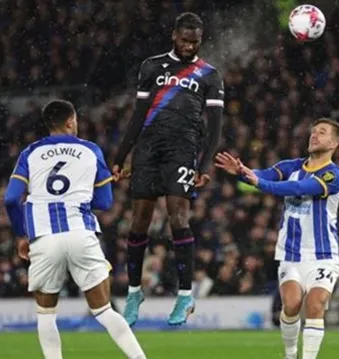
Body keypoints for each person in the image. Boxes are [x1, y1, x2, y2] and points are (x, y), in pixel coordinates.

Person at [3, 100, 146, 359]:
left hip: (44, 238)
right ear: (70, 122)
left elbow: (11, 199)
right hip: (80, 233)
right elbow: (105, 203)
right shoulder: (91, 150)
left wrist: (22, 234)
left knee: (46, 315)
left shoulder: (30, 153)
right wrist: (81, 196)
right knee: (104, 311)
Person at [112, 12, 224, 326]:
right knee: (139, 220)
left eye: (195, 41)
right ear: (174, 35)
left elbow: (215, 129)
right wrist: (121, 155)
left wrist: (203, 164)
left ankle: (185, 294)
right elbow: (137, 116)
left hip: (183, 148)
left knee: (178, 215)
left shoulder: (209, 75)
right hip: (148, 149)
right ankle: (134, 292)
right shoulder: (151, 66)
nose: (189, 46)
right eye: (185, 40)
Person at [215, 118, 339, 359]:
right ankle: (290, 354)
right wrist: (243, 172)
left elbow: (298, 189)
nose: (314, 135)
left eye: (322, 132)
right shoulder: (291, 166)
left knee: (315, 305)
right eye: (313, 131)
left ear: (334, 143)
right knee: (292, 305)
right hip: (291, 253)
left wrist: (259, 183)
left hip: (323, 255)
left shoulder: (333, 175)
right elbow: (262, 174)